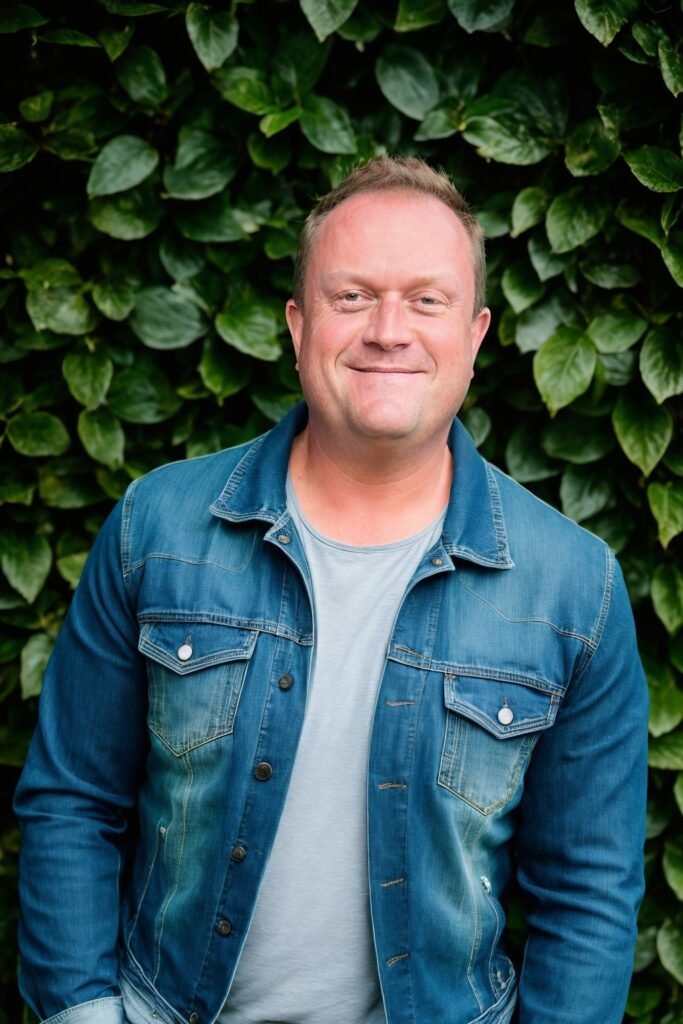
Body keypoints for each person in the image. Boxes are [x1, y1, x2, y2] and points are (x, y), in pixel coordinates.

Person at [14, 156, 648, 1024]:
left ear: (475, 335)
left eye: (426, 300)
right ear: (297, 322)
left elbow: (589, 891)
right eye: (352, 296)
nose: (388, 330)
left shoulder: (573, 586)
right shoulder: (155, 527)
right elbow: (71, 803)